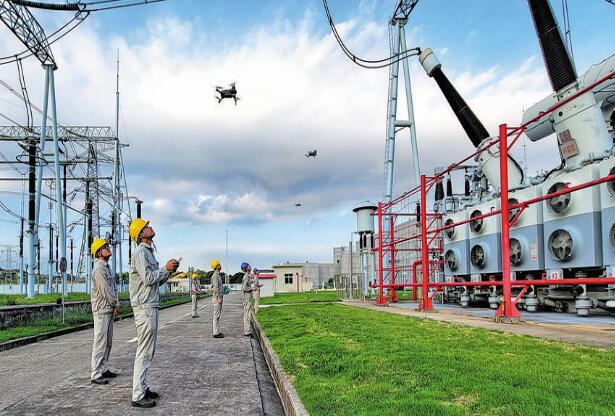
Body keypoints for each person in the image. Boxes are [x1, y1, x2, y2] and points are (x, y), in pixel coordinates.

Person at [128, 218, 179, 408]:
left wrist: (169, 272)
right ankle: (138, 395)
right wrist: (164, 268)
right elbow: (148, 278)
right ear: (141, 233)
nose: (150, 227)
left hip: (150, 304)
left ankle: (142, 387)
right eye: (146, 226)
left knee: (148, 351)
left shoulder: (147, 251)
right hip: (145, 306)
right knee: (144, 351)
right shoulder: (140, 252)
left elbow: (156, 280)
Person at [90, 238, 120, 385]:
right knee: (100, 342)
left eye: (107, 246)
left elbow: (113, 288)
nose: (108, 248)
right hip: (101, 309)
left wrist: (115, 304)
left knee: (108, 342)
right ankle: (95, 373)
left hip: (108, 308)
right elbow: (105, 290)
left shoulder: (106, 267)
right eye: (105, 247)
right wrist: (115, 304)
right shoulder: (98, 269)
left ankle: (104, 368)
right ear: (98, 253)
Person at [240, 262, 255, 337]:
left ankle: (247, 330)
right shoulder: (246, 276)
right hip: (247, 297)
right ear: (246, 268)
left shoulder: (247, 276)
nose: (250, 266)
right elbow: (244, 288)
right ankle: (247, 331)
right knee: (247, 314)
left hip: (247, 297)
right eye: (249, 265)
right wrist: (252, 288)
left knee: (247, 313)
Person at [211, 259, 224, 338]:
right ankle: (215, 333)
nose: (220, 265)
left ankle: (216, 331)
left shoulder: (217, 275)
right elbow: (216, 288)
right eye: (219, 264)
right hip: (217, 299)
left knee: (217, 315)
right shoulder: (215, 276)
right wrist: (219, 298)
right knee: (216, 315)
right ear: (216, 266)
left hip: (218, 298)